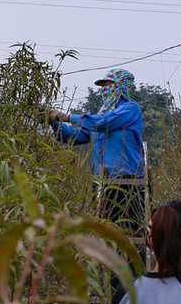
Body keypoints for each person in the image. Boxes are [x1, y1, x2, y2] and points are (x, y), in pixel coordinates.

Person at [47, 67, 146, 238]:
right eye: (103, 86)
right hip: (102, 182)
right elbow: (73, 135)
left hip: (127, 181)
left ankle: (132, 265)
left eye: (109, 85)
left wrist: (68, 117)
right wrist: (53, 122)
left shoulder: (129, 110)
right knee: (106, 232)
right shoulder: (101, 116)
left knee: (129, 233)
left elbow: (104, 123)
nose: (105, 90)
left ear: (121, 86)